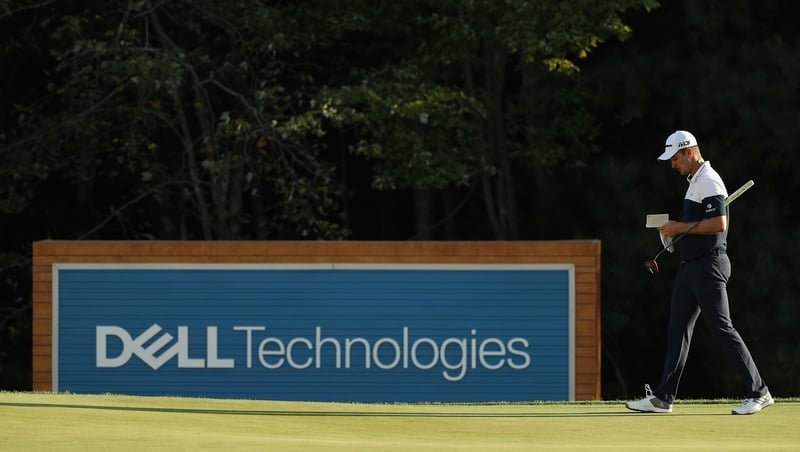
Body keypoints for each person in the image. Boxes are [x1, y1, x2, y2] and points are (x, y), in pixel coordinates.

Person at [626, 130, 773, 415]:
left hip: (709, 266)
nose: (672, 164)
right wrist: (673, 229)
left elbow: (719, 224)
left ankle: (760, 391)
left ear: (690, 152)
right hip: (690, 267)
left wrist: (678, 227)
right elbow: (700, 223)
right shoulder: (695, 181)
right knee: (677, 331)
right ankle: (662, 398)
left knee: (721, 327)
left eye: (675, 158)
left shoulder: (709, 180)